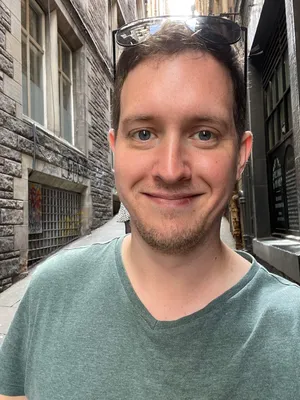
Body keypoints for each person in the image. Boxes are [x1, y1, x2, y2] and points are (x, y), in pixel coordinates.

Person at [1, 16, 300, 399]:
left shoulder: (289, 333)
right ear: (114, 150)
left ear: (241, 155)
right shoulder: (50, 293)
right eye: (144, 134)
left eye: (204, 134)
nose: (171, 169)